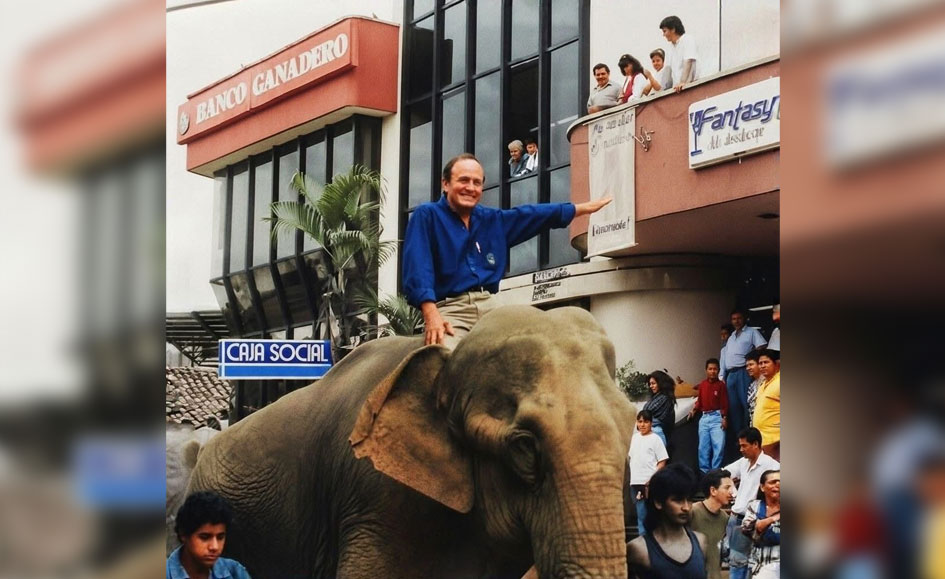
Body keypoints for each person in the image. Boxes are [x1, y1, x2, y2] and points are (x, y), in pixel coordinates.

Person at [402, 153, 612, 346]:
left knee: (536, 349)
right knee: (443, 356)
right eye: (464, 180)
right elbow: (418, 267)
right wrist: (431, 314)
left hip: (491, 307)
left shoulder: (491, 220)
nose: (471, 188)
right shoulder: (426, 216)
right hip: (451, 311)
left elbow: (531, 215)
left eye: (477, 182)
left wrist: (578, 209)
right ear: (445, 184)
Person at [626, 463, 708, 579]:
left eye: (689, 500)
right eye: (678, 500)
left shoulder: (701, 542)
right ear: (658, 502)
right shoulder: (639, 549)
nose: (686, 507)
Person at [722, 428, 780, 579]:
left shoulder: (772, 466)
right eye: (740, 446)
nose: (741, 449)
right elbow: (723, 474)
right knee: (737, 565)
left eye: (744, 446)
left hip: (759, 520)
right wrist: (733, 491)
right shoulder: (743, 462)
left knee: (757, 565)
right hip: (737, 518)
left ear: (756, 444)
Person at [167, 491, 252, 579]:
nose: (215, 547)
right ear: (183, 534)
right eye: (204, 537)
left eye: (220, 537)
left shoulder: (235, 572)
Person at [722, 309, 767, 460]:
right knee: (733, 407)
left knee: (746, 405)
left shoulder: (751, 332)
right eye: (734, 319)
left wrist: (752, 358)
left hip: (743, 371)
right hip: (731, 374)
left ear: (744, 319)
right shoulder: (731, 337)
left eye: (739, 318)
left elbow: (761, 346)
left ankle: (750, 438)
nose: (736, 321)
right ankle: (739, 441)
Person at [628, 409, 670, 536]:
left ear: (651, 423)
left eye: (646, 422)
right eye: (640, 422)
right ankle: (644, 546)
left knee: (653, 516)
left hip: (650, 484)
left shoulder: (655, 439)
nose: (642, 425)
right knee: (641, 516)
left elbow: (662, 461)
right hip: (636, 483)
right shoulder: (634, 438)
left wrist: (652, 478)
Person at [690, 469, 735, 579]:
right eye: (727, 487)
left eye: (732, 488)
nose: (731, 492)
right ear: (713, 490)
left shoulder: (725, 518)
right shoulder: (691, 512)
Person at [688, 358, 728, 473]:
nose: (712, 371)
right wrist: (694, 410)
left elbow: (725, 403)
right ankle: (704, 474)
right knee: (703, 448)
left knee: (718, 447)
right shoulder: (703, 385)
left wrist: (724, 418)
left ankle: (715, 473)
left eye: (715, 369)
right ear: (706, 370)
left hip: (717, 418)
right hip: (704, 418)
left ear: (718, 370)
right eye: (710, 369)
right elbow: (699, 401)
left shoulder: (721, 385)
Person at [741, 470, 781, 578]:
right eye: (773, 482)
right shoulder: (755, 506)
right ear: (762, 487)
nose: (778, 485)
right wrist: (773, 518)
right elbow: (747, 528)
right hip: (760, 566)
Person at [753, 349, 781, 461]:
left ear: (776, 364)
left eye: (766, 362)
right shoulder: (763, 384)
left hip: (776, 439)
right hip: (762, 438)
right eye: (760, 363)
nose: (762, 366)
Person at [659, 15, 699, 92]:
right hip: (678, 89)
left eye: (665, 31)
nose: (663, 35)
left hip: (690, 86)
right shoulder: (670, 47)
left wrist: (682, 82)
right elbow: (667, 70)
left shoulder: (687, 39)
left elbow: (688, 61)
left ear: (673, 29)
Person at [643, 370, 677, 448]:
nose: (651, 386)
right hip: (653, 432)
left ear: (661, 384)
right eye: (650, 384)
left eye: (653, 383)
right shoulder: (655, 397)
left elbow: (646, 413)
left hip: (658, 433)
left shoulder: (664, 398)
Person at [744, 350, 763, 426]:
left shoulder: (767, 382)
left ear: (759, 364)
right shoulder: (752, 385)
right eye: (747, 365)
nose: (748, 368)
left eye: (751, 364)